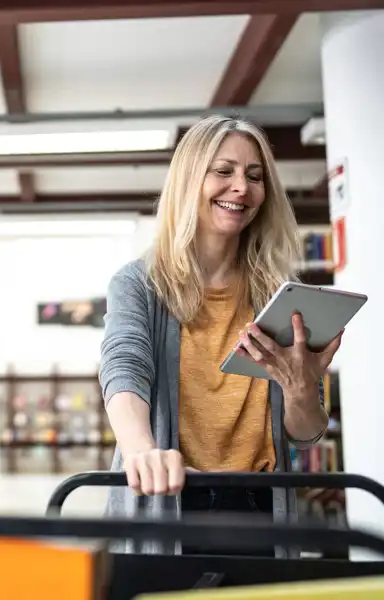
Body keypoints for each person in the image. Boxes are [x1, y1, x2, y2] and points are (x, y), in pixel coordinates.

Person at [99, 115, 340, 557]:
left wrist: (301, 389)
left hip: (262, 510)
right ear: (190, 180)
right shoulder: (139, 284)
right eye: (223, 171)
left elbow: (306, 433)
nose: (241, 188)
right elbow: (124, 366)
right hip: (170, 503)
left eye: (255, 176)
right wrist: (140, 450)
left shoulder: (279, 293)